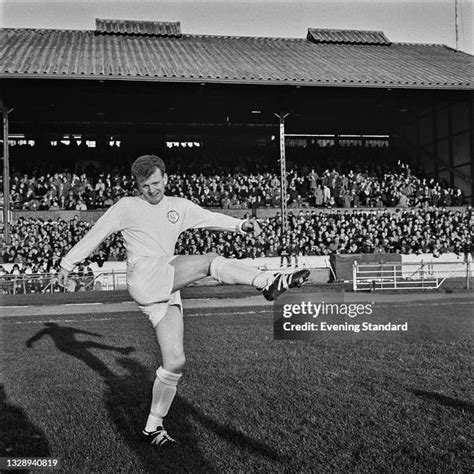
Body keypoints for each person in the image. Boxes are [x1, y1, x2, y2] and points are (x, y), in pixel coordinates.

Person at [58, 155, 310, 449]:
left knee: (175, 361)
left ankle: (153, 426)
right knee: (209, 261)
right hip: (144, 275)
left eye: (155, 183)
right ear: (137, 185)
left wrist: (242, 226)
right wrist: (67, 265)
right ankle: (268, 282)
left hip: (165, 285)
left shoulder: (179, 206)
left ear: (165, 177)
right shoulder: (127, 206)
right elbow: (96, 234)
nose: (151, 190)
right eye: (144, 186)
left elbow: (209, 218)